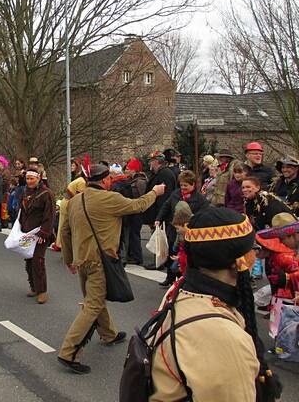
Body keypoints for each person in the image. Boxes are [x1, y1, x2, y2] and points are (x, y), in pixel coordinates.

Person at [148, 208, 282, 402]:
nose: (256, 254)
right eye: (253, 248)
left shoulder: (181, 290)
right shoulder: (224, 337)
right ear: (239, 262)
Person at [58, 164, 164, 373]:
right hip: (100, 261)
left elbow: (65, 232)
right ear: (106, 181)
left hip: (82, 261)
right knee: (93, 305)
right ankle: (69, 352)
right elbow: (139, 206)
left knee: (94, 299)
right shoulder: (110, 198)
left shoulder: (74, 201)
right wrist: (155, 192)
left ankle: (109, 334)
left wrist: (69, 259)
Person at [155, 171, 209, 287]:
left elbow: (204, 214)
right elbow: (166, 205)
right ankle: (169, 277)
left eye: (186, 185)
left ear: (193, 185)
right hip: (173, 228)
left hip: (188, 231)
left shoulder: (200, 199)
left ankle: (182, 280)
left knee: (184, 256)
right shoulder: (176, 194)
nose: (183, 188)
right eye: (181, 185)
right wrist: (159, 218)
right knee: (171, 252)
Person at [19, 168, 55, 304]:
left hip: (40, 234)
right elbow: (22, 212)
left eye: (32, 179)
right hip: (27, 233)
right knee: (28, 260)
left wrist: (44, 233)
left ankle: (42, 291)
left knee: (37, 261)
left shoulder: (47, 194)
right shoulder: (25, 192)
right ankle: (33, 286)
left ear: (38, 178)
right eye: (27, 179)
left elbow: (49, 215)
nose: (29, 181)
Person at [122, 158, 148, 264]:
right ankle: (134, 255)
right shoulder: (133, 180)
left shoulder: (140, 182)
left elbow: (143, 197)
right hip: (134, 211)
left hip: (138, 212)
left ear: (134, 170)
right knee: (133, 234)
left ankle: (137, 257)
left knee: (135, 234)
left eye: (128, 168)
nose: (127, 171)